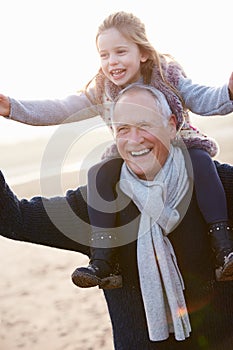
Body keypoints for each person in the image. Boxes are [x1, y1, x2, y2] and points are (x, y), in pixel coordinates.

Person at [0, 11, 233, 286]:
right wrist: (12, 107)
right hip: (130, 157)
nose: (112, 62)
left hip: (181, 146)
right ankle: (103, 261)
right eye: (104, 55)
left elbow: (202, 97)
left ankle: (223, 246)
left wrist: (228, 93)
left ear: (143, 53)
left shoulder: (167, 75)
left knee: (201, 162)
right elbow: (61, 108)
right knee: (99, 174)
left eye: (121, 51)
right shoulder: (102, 89)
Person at [0, 84, 233, 349]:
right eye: (123, 129)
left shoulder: (218, 186)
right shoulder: (100, 203)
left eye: (144, 124)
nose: (134, 139)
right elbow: (13, 219)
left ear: (171, 125)